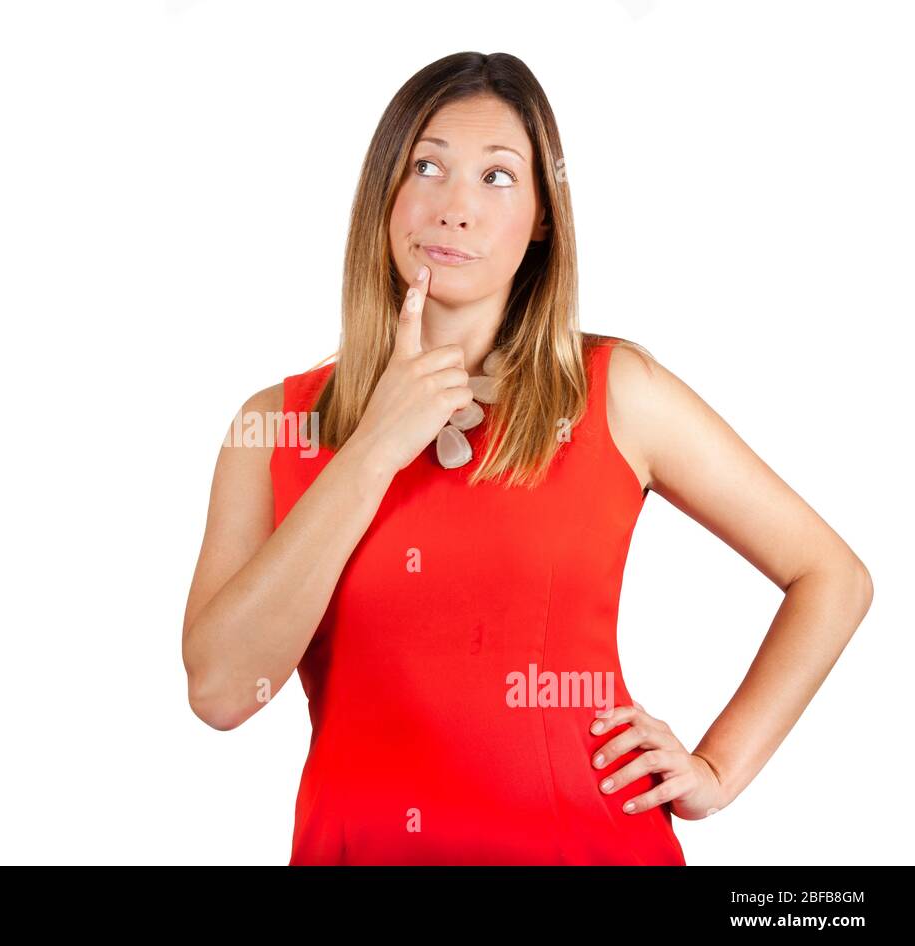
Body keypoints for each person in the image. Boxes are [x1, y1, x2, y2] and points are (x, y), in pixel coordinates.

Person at [180, 51, 873, 865]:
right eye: (427, 166)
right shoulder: (275, 426)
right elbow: (221, 691)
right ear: (385, 195)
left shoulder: (617, 393)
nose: (455, 209)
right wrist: (372, 448)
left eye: (498, 177)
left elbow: (833, 576)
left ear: (544, 216)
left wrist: (718, 766)